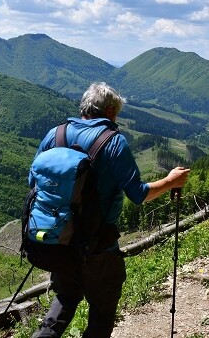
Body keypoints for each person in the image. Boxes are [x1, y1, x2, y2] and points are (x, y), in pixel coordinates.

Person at [30, 82, 190, 338]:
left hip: (59, 240)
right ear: (112, 112)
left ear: (84, 108)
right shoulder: (113, 142)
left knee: (65, 297)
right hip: (99, 248)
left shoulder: (55, 134)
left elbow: (34, 184)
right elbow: (138, 194)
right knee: (102, 311)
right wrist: (171, 181)